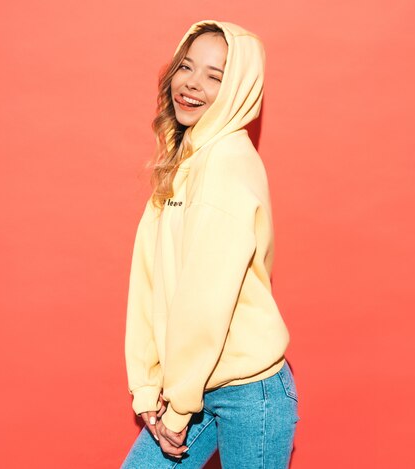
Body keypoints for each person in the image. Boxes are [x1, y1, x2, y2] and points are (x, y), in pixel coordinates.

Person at [121, 20, 299, 468]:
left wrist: (178, 406)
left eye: (215, 76)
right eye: (186, 66)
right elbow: (151, 278)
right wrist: (147, 387)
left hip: (248, 393)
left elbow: (205, 297)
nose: (192, 83)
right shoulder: (184, 162)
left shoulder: (227, 164)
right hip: (194, 385)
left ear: (239, 87)